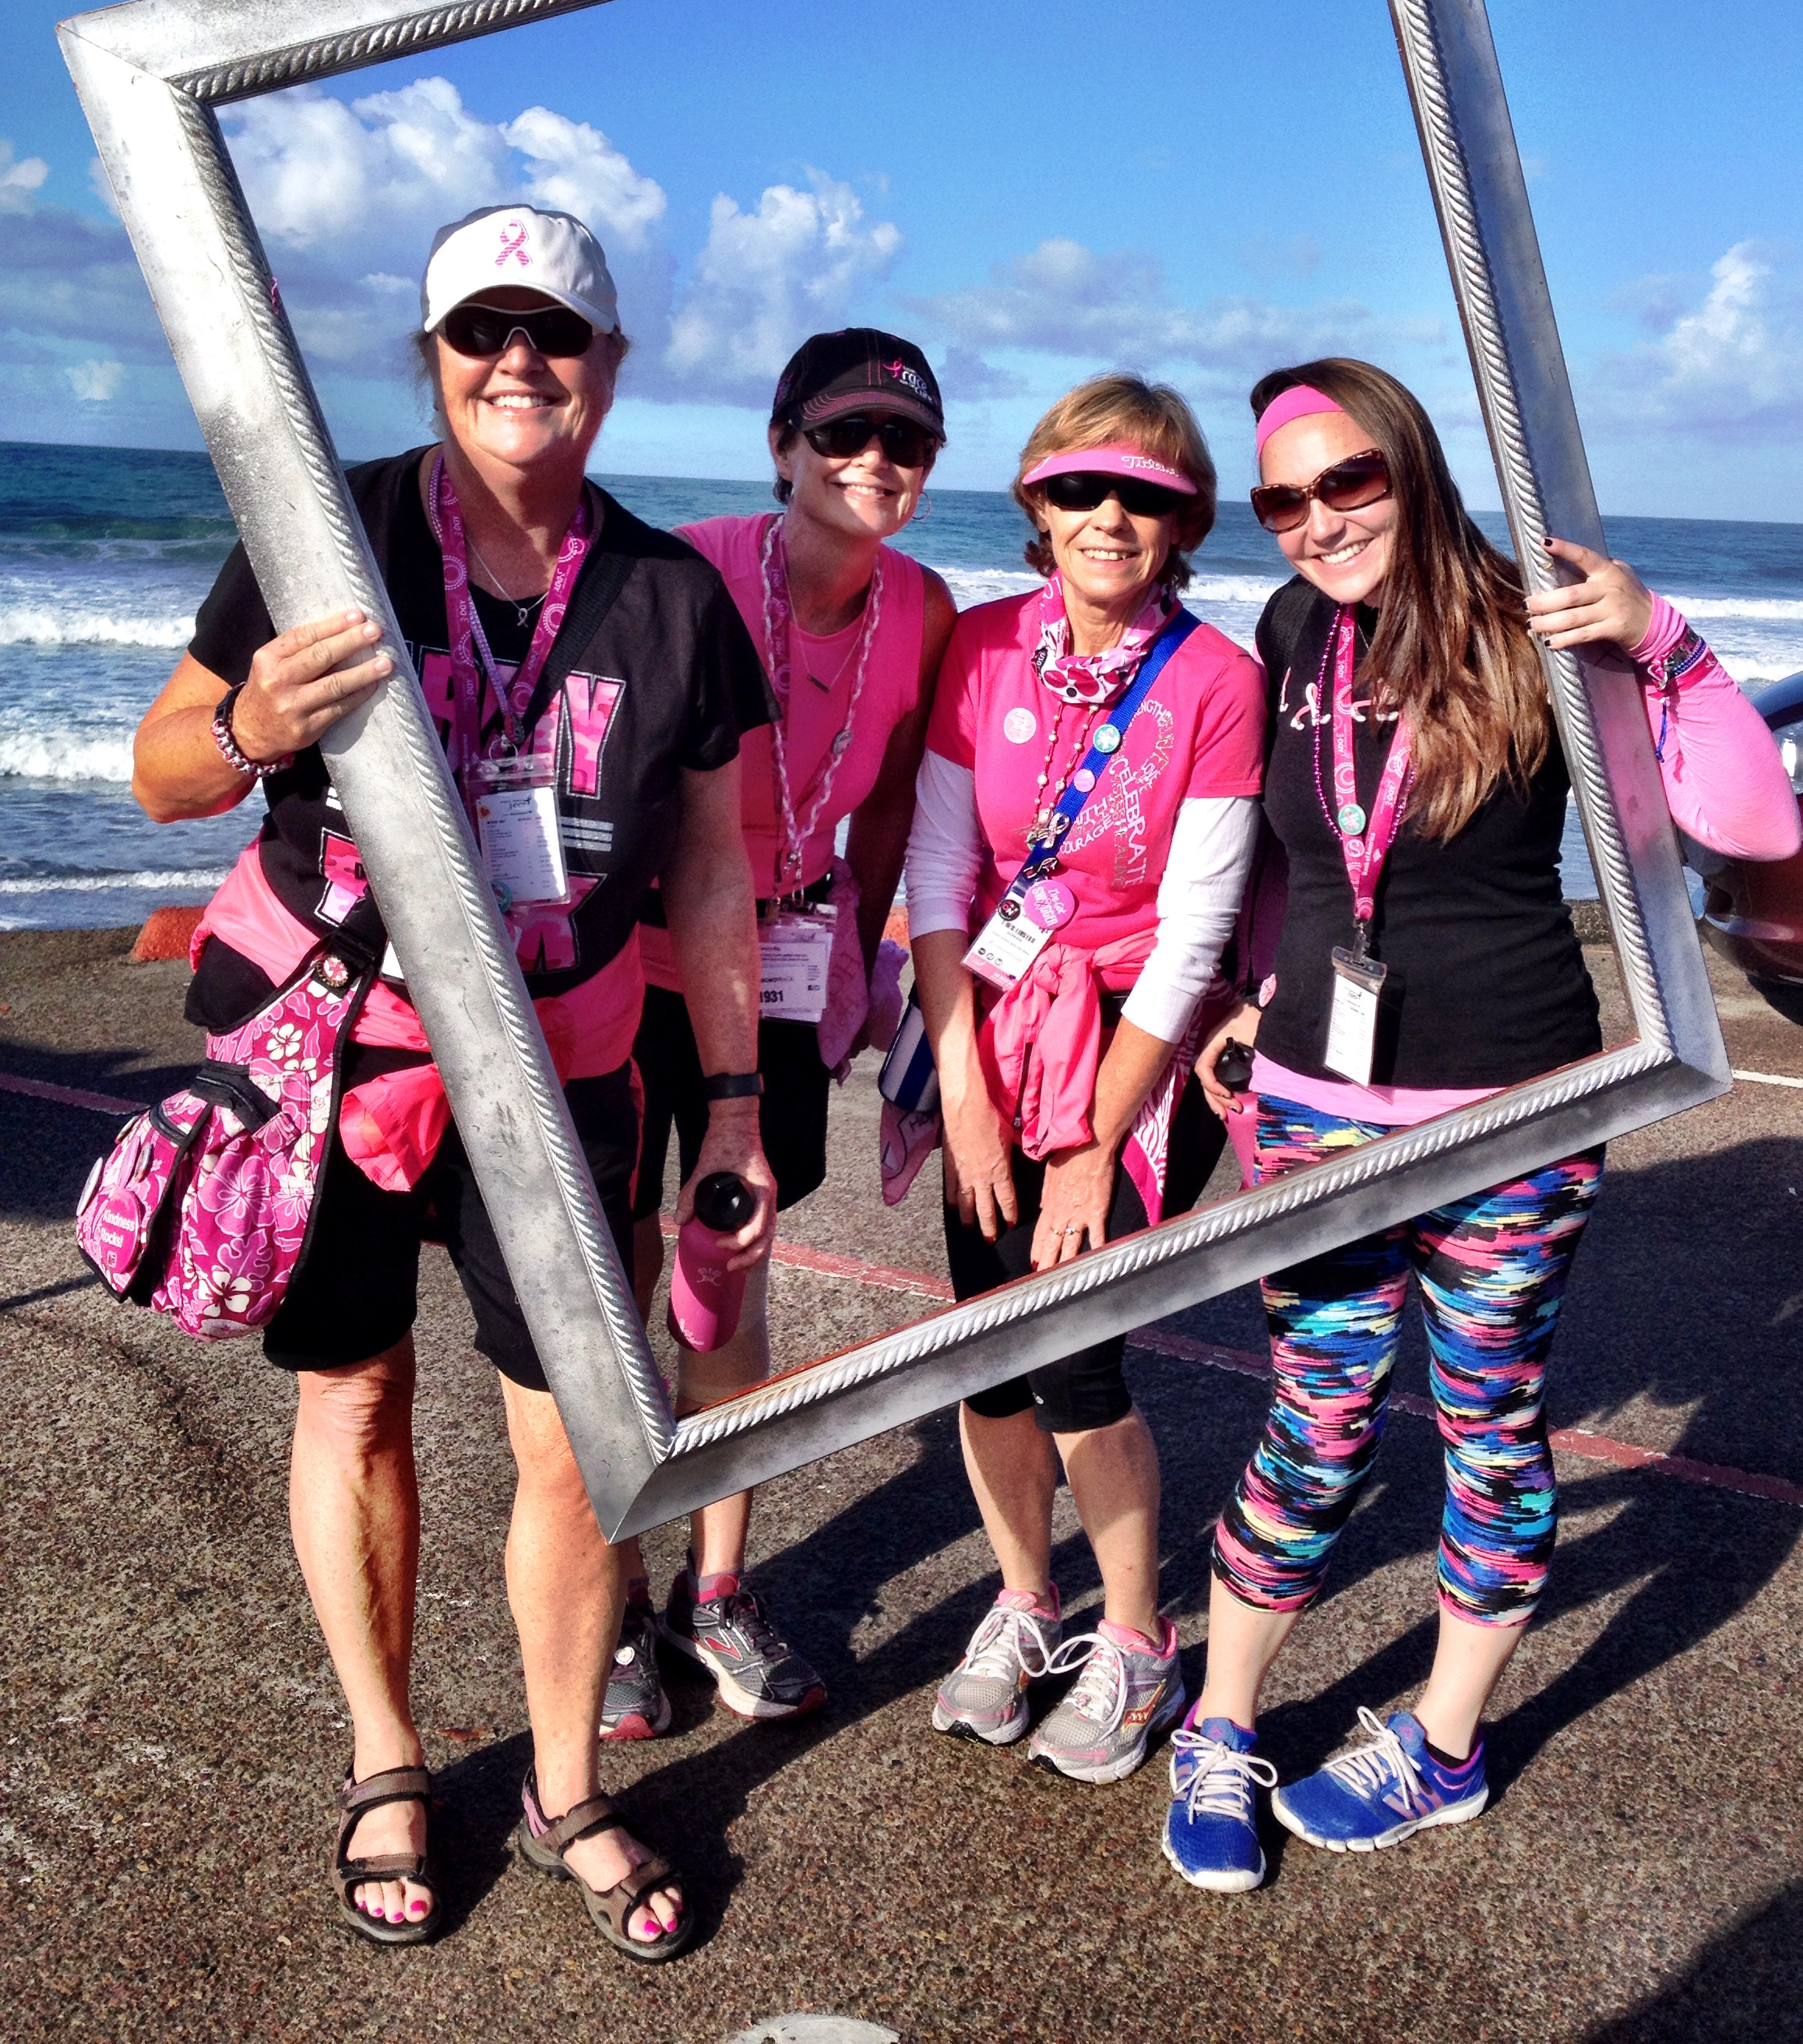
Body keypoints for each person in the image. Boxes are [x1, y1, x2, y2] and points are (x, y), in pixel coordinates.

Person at [132, 204, 779, 1962]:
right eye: (481, 332)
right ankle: (389, 1758)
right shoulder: (320, 533)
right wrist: (257, 717)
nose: (519, 363)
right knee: (350, 1401)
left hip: (565, 1075)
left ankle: (567, 1783)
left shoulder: (670, 596)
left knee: (577, 1448)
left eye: (556, 335)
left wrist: (731, 1101)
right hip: (329, 1055)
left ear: (611, 369)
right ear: (432, 357)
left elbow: (715, 873)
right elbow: (163, 774)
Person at [1160, 357, 1800, 1892]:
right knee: (1311, 1428)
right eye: (1283, 500)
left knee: (1485, 1431)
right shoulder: (1292, 624)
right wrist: (1252, 997)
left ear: (1415, 465)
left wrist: (1668, 644)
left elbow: (1756, 825)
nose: (1317, 520)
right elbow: (1294, 859)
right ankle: (1223, 1723)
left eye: (1349, 481)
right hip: (1313, 1107)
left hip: (1512, 1116)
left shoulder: (1543, 618)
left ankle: (1444, 1746)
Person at [903, 375, 1266, 1784]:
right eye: (1080, 488)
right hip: (989, 1027)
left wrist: (1088, 1144)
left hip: (1133, 1048)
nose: (1111, 517)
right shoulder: (982, 645)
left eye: (1149, 495)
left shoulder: (1216, 682)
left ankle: (1135, 1637)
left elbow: (1193, 938)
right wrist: (968, 1092)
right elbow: (942, 872)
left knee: (1079, 1360)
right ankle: (1024, 1601)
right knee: (984, 1346)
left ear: (1185, 522)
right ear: (1037, 503)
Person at [600, 328, 956, 1737]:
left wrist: (865, 946)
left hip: (791, 973)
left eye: (905, 445)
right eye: (844, 436)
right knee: (618, 1280)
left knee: (733, 1285)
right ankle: (614, 1600)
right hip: (636, 970)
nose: (873, 463)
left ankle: (718, 1587)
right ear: (781, 444)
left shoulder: (920, 608)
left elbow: (884, 808)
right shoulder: (678, 567)